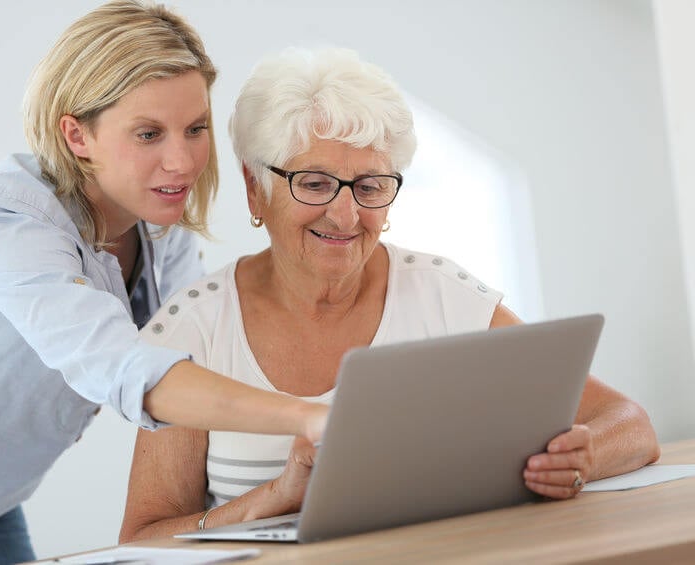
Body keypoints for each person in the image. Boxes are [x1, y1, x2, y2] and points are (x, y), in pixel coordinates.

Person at [118, 47, 661, 542]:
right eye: (314, 183)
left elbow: (629, 423)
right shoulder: (193, 328)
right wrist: (272, 501)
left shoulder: (443, 297)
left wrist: (583, 455)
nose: (346, 214)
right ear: (255, 186)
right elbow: (141, 539)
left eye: (371, 186)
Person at [0, 3, 327, 563]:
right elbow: (127, 370)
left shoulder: (156, 226)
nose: (181, 161)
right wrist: (307, 416)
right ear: (77, 135)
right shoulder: (4, 221)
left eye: (195, 129)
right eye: (148, 133)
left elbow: (196, 357)